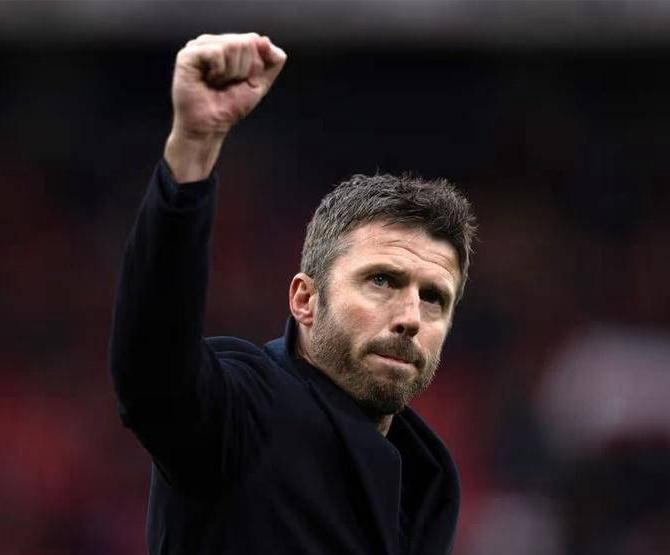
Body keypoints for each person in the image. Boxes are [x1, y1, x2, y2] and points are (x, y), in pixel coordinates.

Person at [110, 32, 477, 555]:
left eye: (434, 297)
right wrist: (193, 148)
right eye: (382, 281)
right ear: (306, 300)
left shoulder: (427, 478)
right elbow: (152, 372)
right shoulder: (246, 410)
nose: (410, 316)